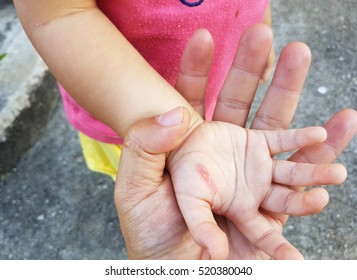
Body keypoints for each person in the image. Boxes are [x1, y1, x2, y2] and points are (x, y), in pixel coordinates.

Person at [13, 1, 356, 259]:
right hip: (125, 112)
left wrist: (260, 20)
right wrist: (187, 135)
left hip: (219, 77)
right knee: (137, 178)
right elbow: (60, 15)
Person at [115, 27, 357, 259]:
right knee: (127, 168)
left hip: (208, 95)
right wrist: (183, 141)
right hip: (123, 113)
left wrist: (264, 19)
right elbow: (75, 15)